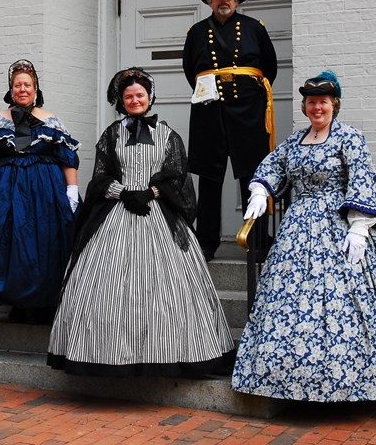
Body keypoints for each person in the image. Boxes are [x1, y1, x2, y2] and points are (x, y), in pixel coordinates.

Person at [232, 70, 376, 401]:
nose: (316, 108)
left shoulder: (348, 138)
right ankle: (288, 381)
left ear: (334, 104)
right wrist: (261, 190)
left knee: (344, 303)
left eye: (322, 102)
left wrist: (360, 228)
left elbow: (361, 179)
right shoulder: (295, 140)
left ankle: (351, 384)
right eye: (311, 102)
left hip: (340, 229)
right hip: (298, 233)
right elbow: (273, 165)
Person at [47, 67, 235, 376]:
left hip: (158, 212)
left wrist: (151, 192)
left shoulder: (167, 135)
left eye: (140, 95)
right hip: (117, 215)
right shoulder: (112, 134)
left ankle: (172, 354)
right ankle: (104, 354)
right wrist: (124, 193)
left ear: (149, 97)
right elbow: (100, 178)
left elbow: (178, 177)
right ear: (121, 101)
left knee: (168, 291)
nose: (135, 100)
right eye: (129, 96)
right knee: (107, 288)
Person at [0, 59, 80, 324]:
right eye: (17, 85)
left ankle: (44, 304)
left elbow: (67, 158)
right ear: (11, 89)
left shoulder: (50, 120)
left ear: (35, 89)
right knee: (7, 246)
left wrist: (72, 189)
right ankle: (15, 302)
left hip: (45, 194)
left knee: (42, 245)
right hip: (4, 193)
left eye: (27, 85)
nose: (22, 89)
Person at [182, 0, 277, 260]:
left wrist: (248, 94)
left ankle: (258, 240)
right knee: (210, 178)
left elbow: (269, 68)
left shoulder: (254, 28)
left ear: (237, 0)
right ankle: (206, 242)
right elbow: (191, 71)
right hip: (209, 111)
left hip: (247, 111)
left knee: (252, 176)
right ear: (210, 0)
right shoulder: (196, 32)